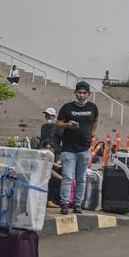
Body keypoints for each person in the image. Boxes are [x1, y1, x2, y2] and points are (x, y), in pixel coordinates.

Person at [56, 81, 100, 215]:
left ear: (88, 94)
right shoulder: (67, 108)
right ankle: (64, 203)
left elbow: (96, 120)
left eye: (84, 93)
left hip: (84, 148)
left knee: (81, 178)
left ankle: (78, 204)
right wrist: (68, 125)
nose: (81, 96)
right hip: (69, 148)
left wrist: (92, 134)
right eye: (79, 93)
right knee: (67, 177)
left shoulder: (93, 107)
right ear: (75, 93)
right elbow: (58, 123)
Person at [41, 140, 63, 208]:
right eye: (46, 148)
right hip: (43, 176)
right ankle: (49, 201)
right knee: (56, 181)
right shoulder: (42, 156)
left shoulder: (52, 156)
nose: (48, 150)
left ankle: (57, 200)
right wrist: (62, 178)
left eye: (50, 148)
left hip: (48, 174)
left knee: (62, 170)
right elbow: (50, 170)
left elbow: (53, 166)